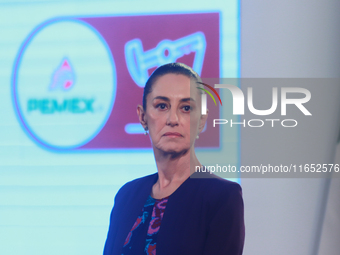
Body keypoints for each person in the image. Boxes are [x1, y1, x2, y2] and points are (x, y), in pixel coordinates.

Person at [103, 63, 245, 255]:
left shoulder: (222, 197)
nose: (173, 119)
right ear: (143, 117)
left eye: (186, 108)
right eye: (162, 106)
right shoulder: (127, 195)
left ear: (201, 120)